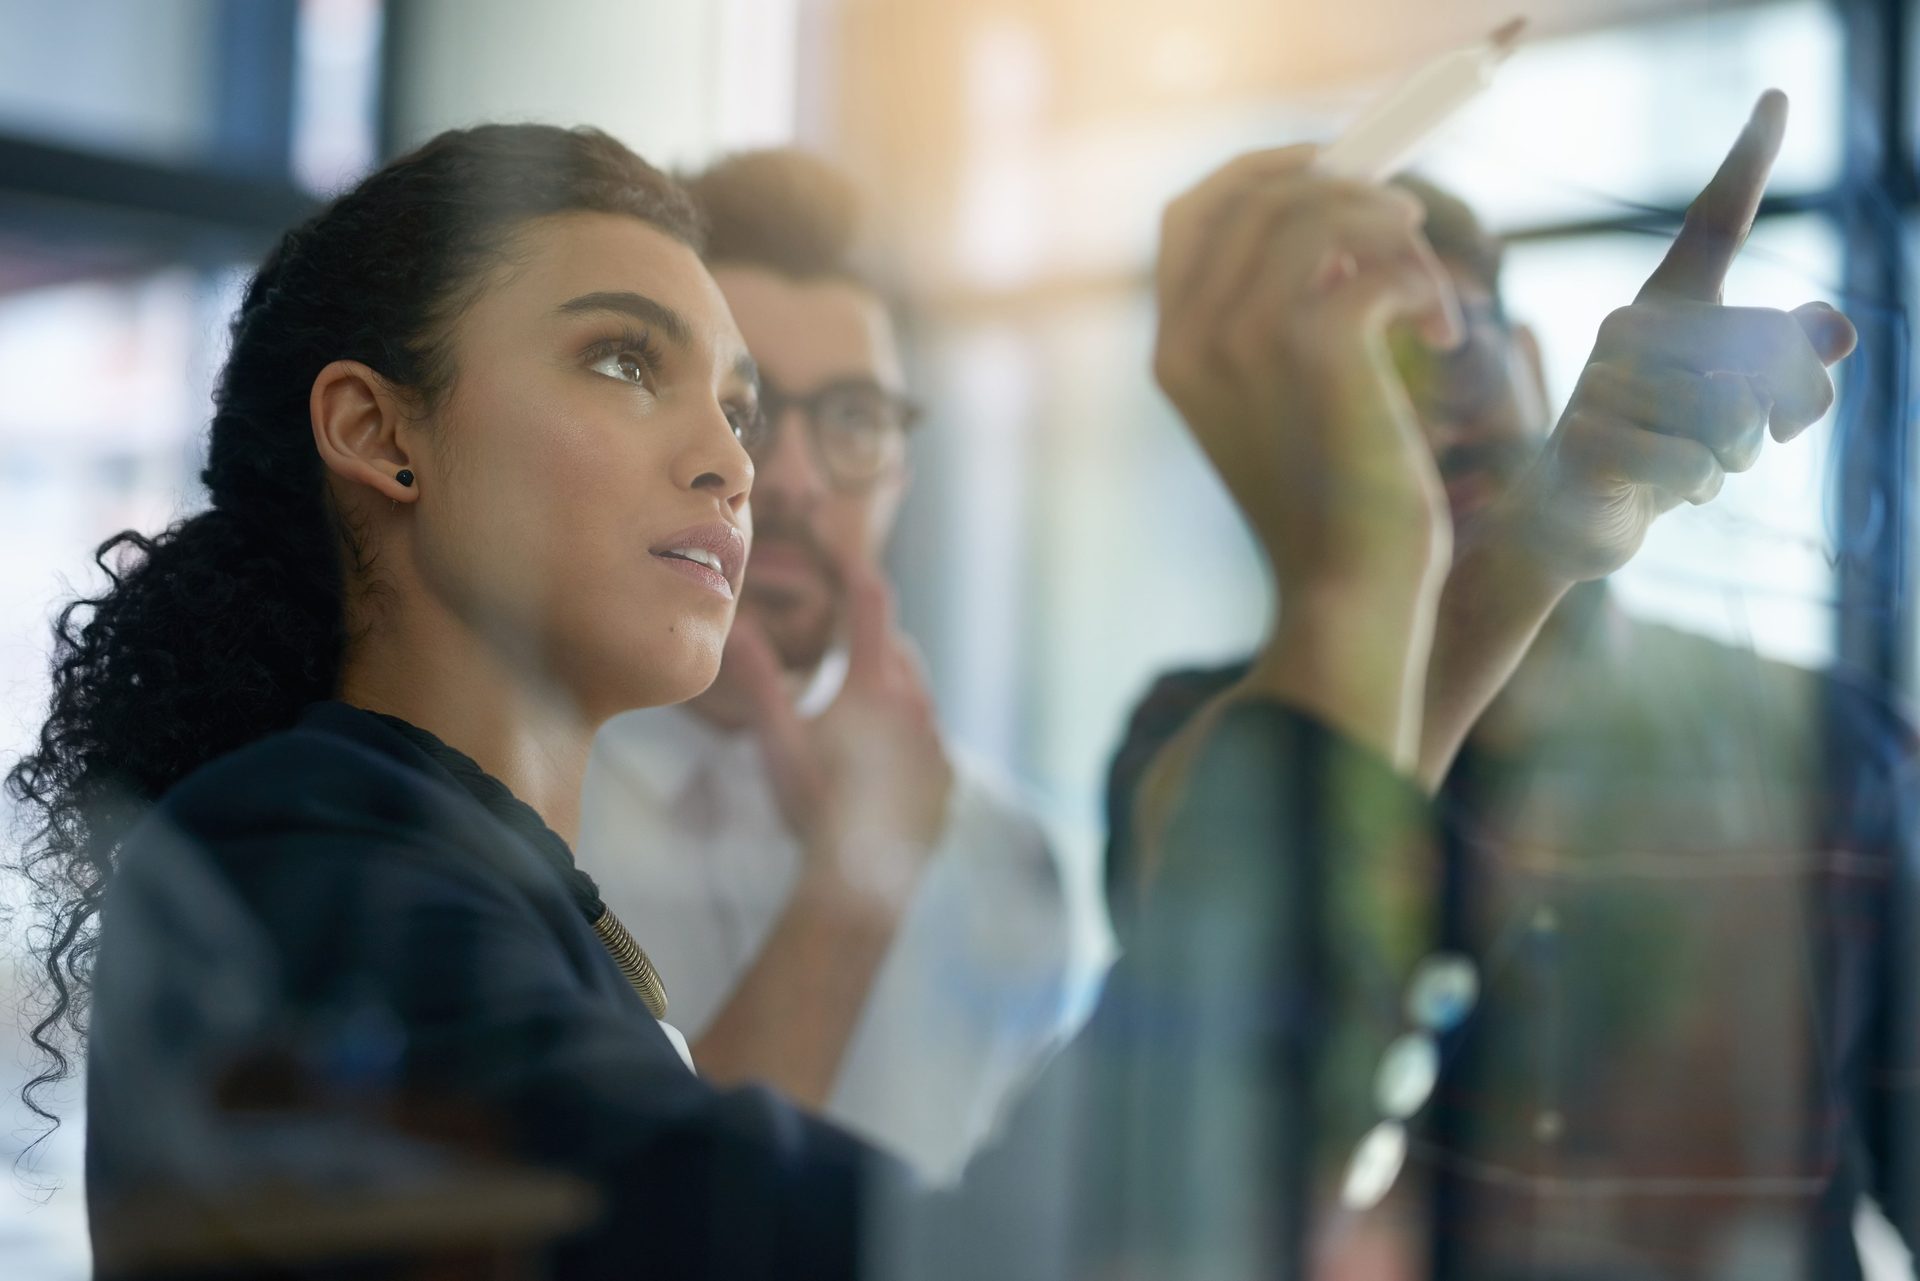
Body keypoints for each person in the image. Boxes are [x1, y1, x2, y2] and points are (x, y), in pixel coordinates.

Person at [2, 91, 1847, 1278]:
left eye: (741, 402)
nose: (740, 462)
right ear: (376, 430)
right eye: (627, 362)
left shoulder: (439, 872)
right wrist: (1357, 571)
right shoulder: (301, 870)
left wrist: (1515, 549)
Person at [1106, 168, 1915, 1274]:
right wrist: (1521, 551)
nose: (1428, 422)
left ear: (1531, 360)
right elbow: (1194, 1095)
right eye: (1364, 382)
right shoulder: (1210, 741)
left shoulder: (1834, 751)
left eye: (1450, 343)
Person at [577, 150, 1112, 1184]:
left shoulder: (1003, 856)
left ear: (905, 469)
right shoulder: (524, 820)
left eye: (856, 421)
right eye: (745, 405)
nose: (786, 481)